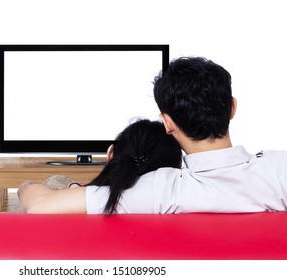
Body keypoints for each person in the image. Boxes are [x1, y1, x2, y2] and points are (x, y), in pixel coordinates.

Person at [18, 56, 287, 214]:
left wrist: (26, 186)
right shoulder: (279, 168)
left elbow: (39, 205)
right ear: (232, 108)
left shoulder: (160, 189)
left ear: (167, 123)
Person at [33, 119, 182, 214]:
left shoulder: (99, 198)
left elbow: (33, 200)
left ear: (111, 153)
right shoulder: (185, 197)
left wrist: (74, 189)